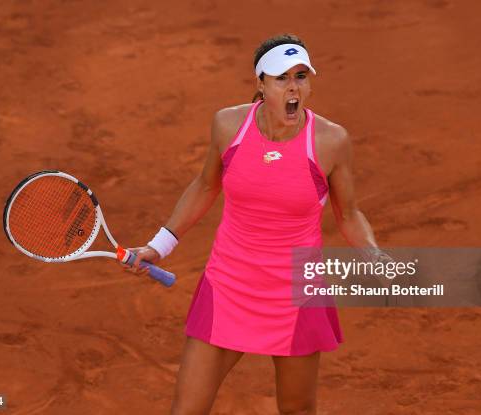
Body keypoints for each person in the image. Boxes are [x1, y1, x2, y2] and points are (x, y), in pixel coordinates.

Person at [125, 33, 389, 415]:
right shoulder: (229, 126)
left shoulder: (331, 141)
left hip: (295, 292)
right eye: (282, 78)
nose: (293, 86)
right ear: (261, 84)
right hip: (229, 284)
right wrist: (159, 246)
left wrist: (374, 254)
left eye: (301, 76)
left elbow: (348, 215)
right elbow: (204, 186)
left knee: (297, 410)